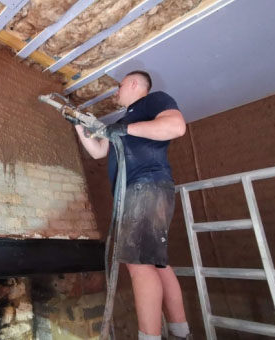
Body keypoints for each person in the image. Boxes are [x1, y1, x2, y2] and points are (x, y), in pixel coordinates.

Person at [73, 70, 189, 340]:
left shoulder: (153, 101)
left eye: (120, 85)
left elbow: (176, 127)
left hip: (145, 185)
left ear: (135, 84)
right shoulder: (124, 119)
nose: (116, 91)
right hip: (141, 191)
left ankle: (149, 336)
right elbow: (98, 151)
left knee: (138, 265)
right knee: (157, 263)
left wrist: (125, 128)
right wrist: (79, 125)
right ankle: (180, 331)